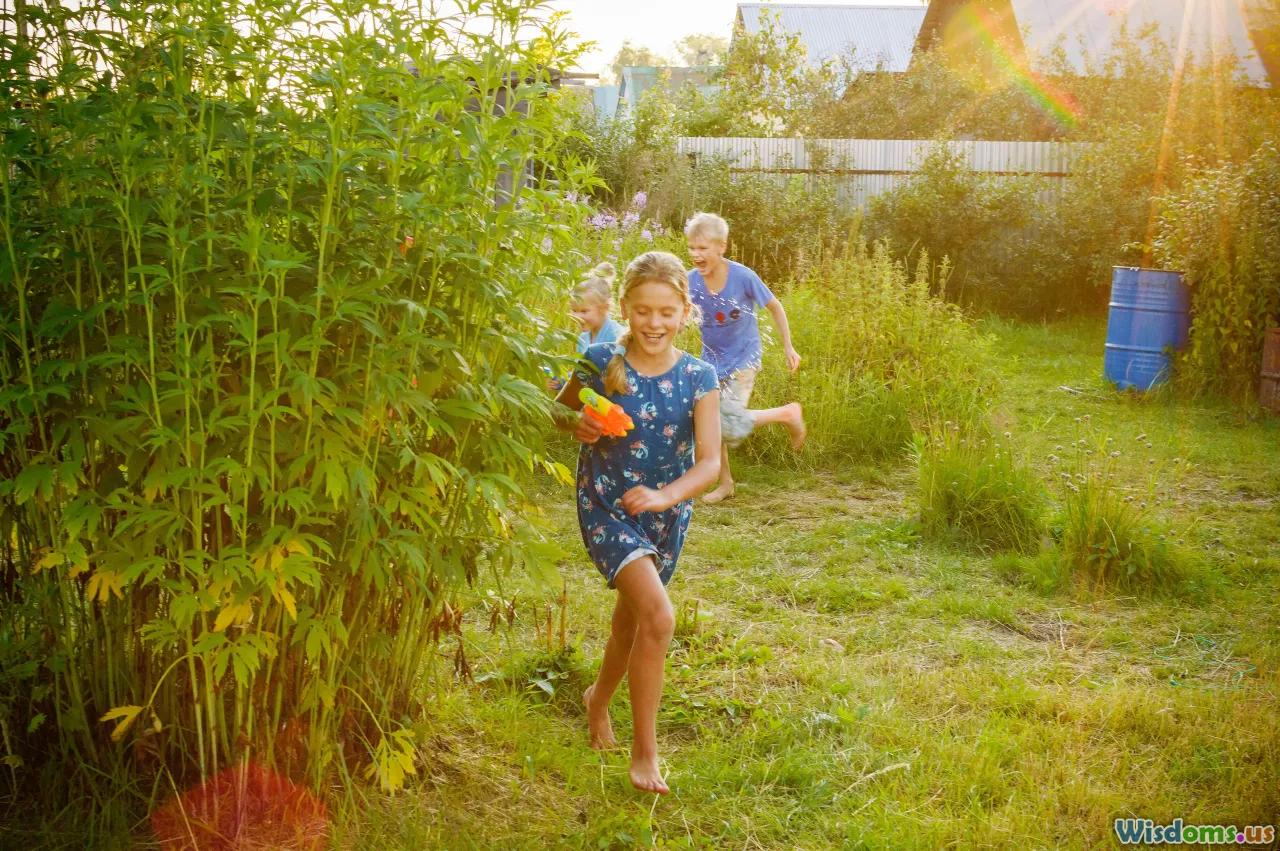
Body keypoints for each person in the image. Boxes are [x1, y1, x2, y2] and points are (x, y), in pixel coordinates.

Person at [552, 251, 721, 794]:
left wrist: (665, 495)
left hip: (666, 515)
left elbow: (711, 464)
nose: (654, 323)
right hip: (605, 505)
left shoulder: (700, 375)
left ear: (684, 312)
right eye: (644, 311)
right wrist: (576, 424)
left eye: (666, 312)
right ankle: (645, 754)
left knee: (633, 619)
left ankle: (596, 699)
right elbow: (558, 408)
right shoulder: (601, 358)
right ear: (625, 308)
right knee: (660, 616)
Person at [685, 212, 805, 503]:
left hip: (744, 359)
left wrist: (788, 346)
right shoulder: (690, 281)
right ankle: (725, 484)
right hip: (710, 361)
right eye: (691, 248)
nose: (695, 254)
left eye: (702, 248)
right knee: (710, 421)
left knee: (726, 423)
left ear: (721, 247)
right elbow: (677, 311)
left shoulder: (743, 277)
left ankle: (787, 413)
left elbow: (775, 307)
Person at [547, 263, 627, 391]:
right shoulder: (582, 339)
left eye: (584, 311)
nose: (577, 316)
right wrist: (562, 380)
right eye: (573, 310)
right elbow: (584, 374)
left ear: (605, 308)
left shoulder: (617, 335)